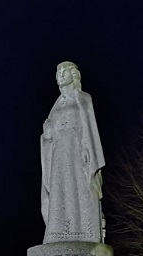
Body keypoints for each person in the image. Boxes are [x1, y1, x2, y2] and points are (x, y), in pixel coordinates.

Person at [40, 61, 105, 244]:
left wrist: (86, 146)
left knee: (81, 188)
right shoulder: (56, 106)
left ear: (73, 74)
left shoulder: (83, 98)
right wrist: (47, 137)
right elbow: (48, 135)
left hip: (77, 150)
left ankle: (86, 231)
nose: (60, 75)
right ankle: (58, 232)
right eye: (58, 72)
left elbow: (88, 126)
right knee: (59, 190)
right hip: (58, 154)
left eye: (64, 71)